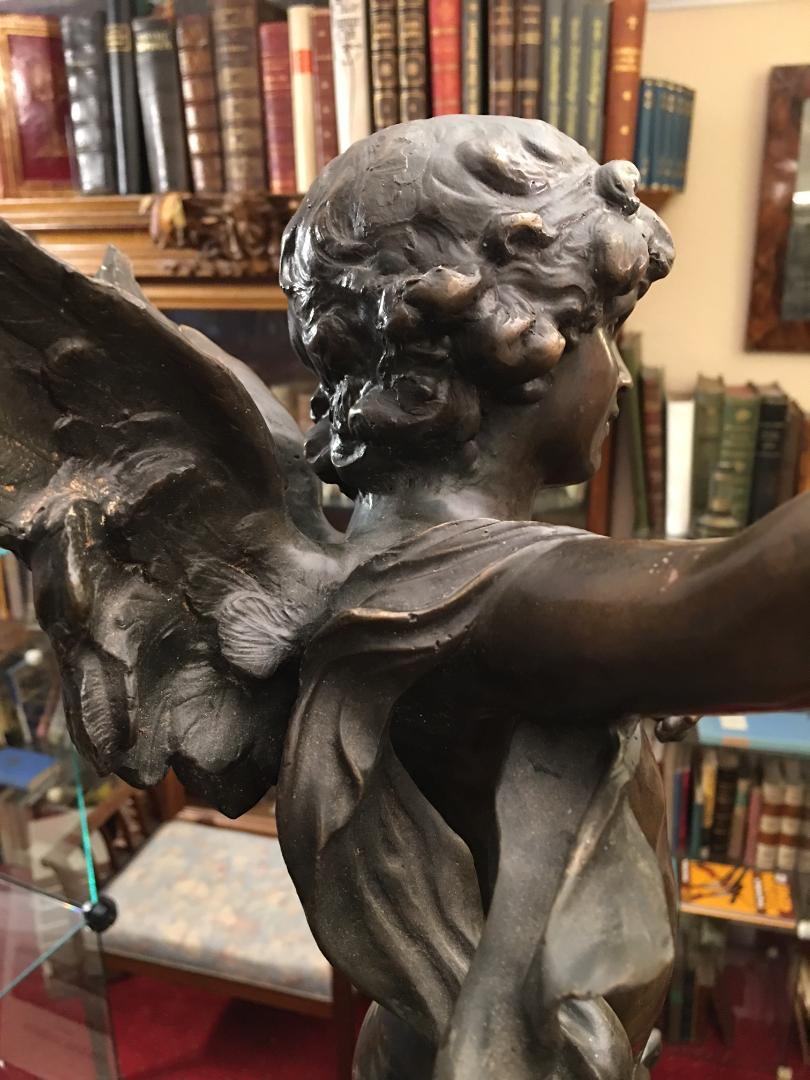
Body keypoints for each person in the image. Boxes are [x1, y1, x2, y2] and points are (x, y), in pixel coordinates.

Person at [2, 115, 809, 1079]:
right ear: (517, 346)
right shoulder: (484, 603)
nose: (622, 375)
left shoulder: (415, 570)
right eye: (605, 333)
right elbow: (752, 606)